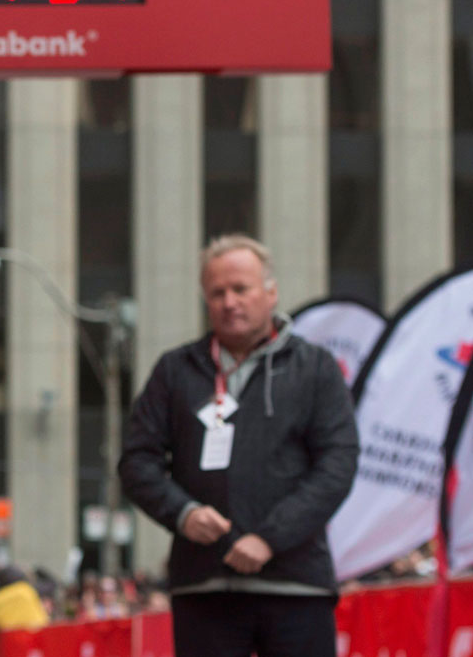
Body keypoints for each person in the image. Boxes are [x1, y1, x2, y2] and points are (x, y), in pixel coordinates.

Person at [118, 234, 359, 656]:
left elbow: (338, 464)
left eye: (241, 289)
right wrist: (183, 512)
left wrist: (270, 538)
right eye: (217, 292)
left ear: (271, 292)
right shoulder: (176, 371)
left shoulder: (315, 367)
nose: (229, 301)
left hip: (297, 584)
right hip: (204, 586)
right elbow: (137, 461)